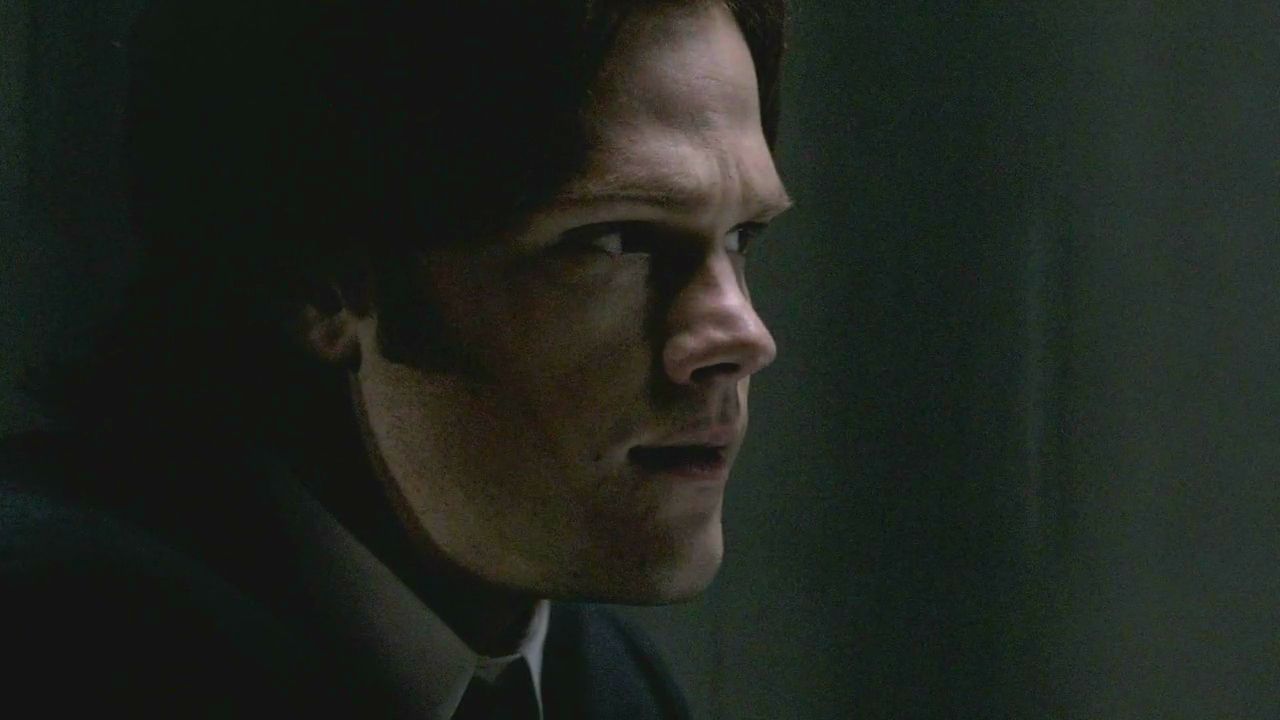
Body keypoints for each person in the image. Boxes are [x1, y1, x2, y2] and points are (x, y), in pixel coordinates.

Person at [1, 0, 791, 716]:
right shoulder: (58, 653)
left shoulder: (603, 685)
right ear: (314, 281)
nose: (744, 335)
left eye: (741, 236)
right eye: (615, 240)